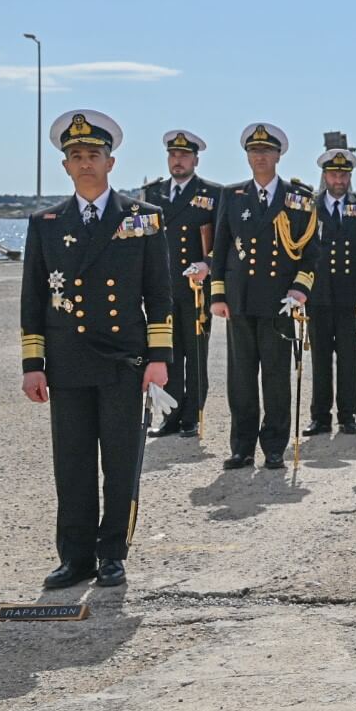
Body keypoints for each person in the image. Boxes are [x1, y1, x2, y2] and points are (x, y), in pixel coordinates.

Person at [21, 110, 172, 589]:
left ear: (111, 162)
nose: (85, 163)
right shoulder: (46, 223)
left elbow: (159, 293)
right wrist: (33, 364)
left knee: (121, 461)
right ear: (65, 166)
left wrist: (160, 358)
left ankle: (113, 554)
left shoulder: (142, 219)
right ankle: (75, 557)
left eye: (94, 155)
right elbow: (34, 299)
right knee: (73, 462)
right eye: (76, 156)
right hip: (67, 362)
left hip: (123, 359)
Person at [209, 123, 317, 471]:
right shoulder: (233, 194)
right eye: (253, 152)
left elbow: (311, 251)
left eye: (266, 151)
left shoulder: (297, 199)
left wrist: (299, 289)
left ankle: (274, 446)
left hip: (277, 301)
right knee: (240, 379)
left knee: (274, 377)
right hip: (240, 300)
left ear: (278, 156)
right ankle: (241, 447)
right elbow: (221, 246)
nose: (259, 157)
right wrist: (218, 294)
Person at [141, 129, 218, 438]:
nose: (178, 160)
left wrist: (208, 264)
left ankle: (193, 416)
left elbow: (222, 240)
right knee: (167, 354)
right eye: (173, 155)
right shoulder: (152, 193)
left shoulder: (213, 194)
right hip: (163, 288)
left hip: (197, 289)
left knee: (196, 355)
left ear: (195, 160)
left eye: (184, 156)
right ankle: (170, 416)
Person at [306, 148, 356, 436]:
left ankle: (348, 415)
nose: (339, 179)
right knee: (320, 359)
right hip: (318, 296)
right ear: (324, 175)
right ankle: (320, 417)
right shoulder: (310, 207)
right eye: (334, 174)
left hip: (350, 297)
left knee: (349, 357)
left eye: (344, 174)